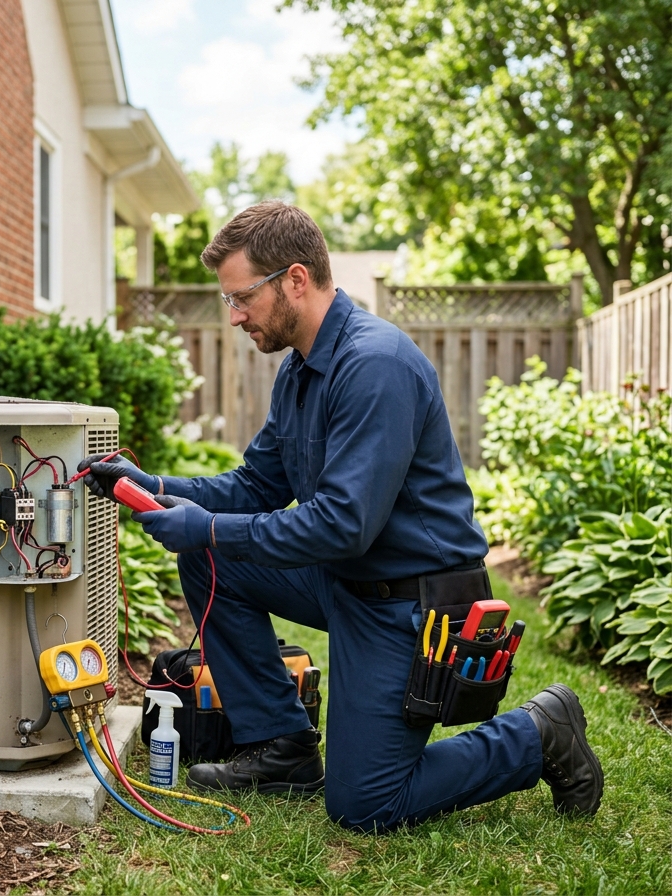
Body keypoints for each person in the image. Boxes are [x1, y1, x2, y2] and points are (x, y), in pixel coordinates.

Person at [79, 201, 603, 832]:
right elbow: (257, 484)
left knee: (367, 804)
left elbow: (341, 524)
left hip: (413, 603)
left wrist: (209, 525)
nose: (236, 314)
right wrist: (156, 485)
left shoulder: (374, 365)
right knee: (208, 554)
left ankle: (538, 733)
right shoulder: (300, 371)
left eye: (242, 296)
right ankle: (284, 749)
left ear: (295, 279)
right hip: (348, 582)